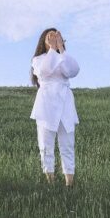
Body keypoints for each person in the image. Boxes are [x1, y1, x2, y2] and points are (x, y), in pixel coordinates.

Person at [30, 28, 79, 187]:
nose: (53, 39)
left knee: (67, 144)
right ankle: (50, 182)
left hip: (65, 103)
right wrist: (52, 49)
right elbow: (44, 71)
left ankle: (69, 184)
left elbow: (72, 70)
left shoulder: (64, 57)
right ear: (43, 41)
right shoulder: (38, 59)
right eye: (49, 37)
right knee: (46, 145)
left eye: (57, 37)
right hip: (46, 103)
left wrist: (61, 49)